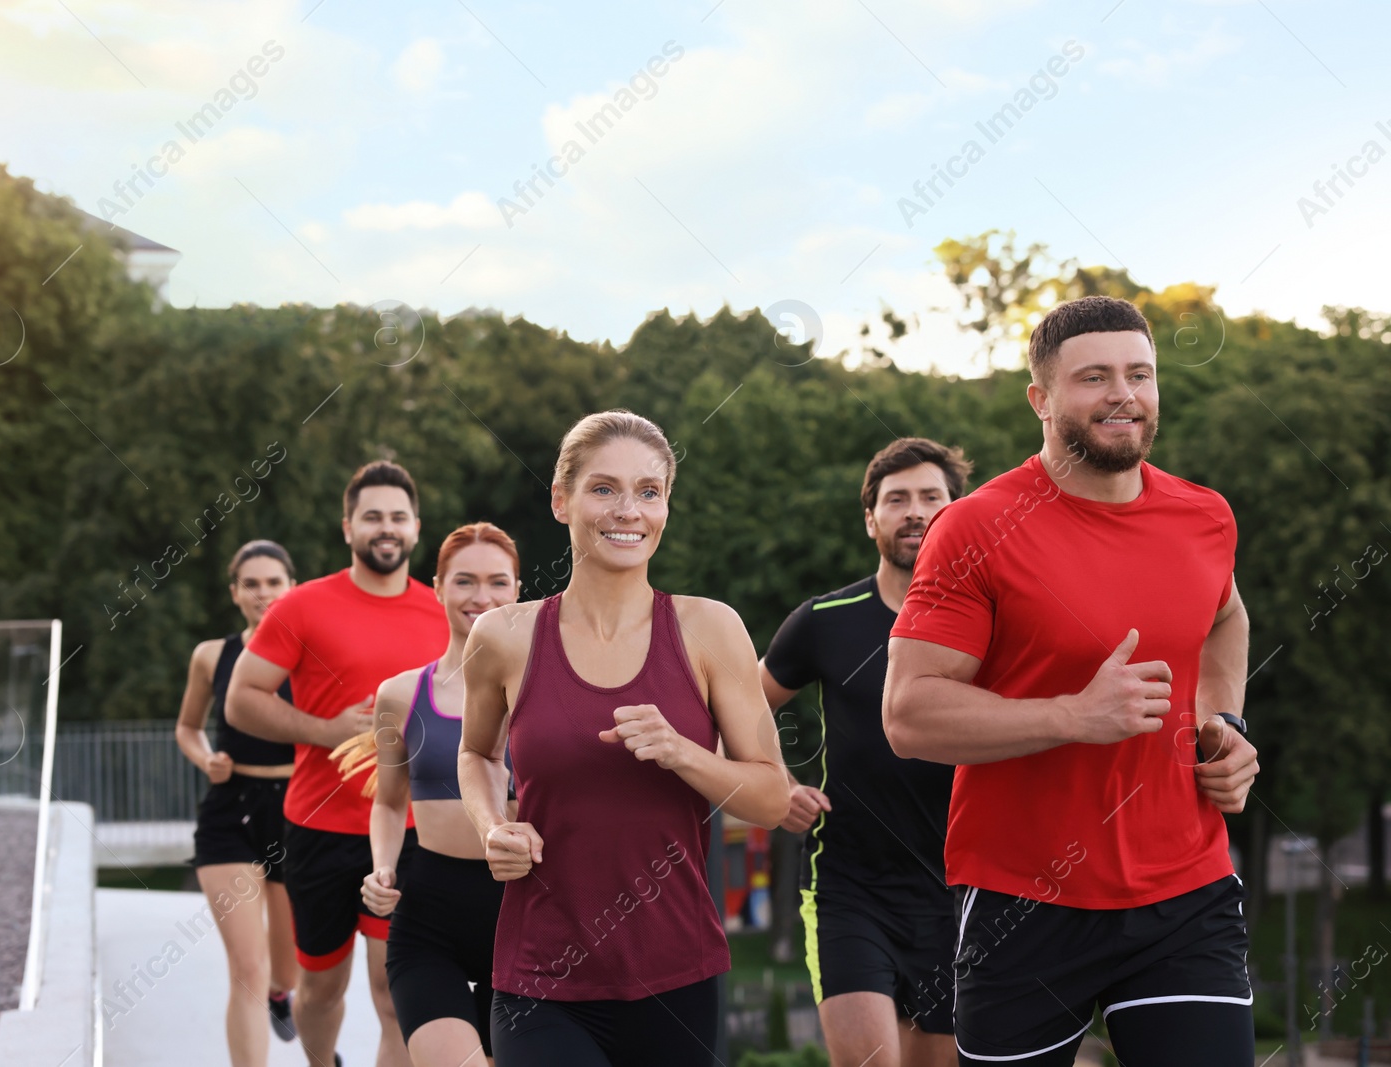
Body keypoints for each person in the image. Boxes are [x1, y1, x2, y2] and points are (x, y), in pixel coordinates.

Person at [883, 296, 1261, 1066]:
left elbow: (1226, 618)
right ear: (1042, 399)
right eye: (1094, 377)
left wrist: (1221, 723)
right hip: (1024, 903)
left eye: (1140, 374)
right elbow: (909, 714)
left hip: (1185, 887)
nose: (1124, 393)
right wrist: (1071, 715)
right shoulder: (976, 526)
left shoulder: (1205, 516)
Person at [458, 409, 791, 1067]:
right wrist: (492, 823)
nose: (628, 510)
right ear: (562, 500)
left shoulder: (711, 629)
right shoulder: (502, 636)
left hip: (677, 976)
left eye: (649, 490)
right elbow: (476, 752)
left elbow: (773, 798)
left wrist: (682, 752)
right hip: (540, 976)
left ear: (666, 504)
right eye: (604, 488)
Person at [228, 461, 450, 1067]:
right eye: (372, 516)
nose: (386, 528)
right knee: (321, 990)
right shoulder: (301, 607)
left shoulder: (442, 613)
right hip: (318, 830)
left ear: (416, 528)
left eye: (398, 517)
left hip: (409, 834)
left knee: (394, 994)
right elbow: (242, 701)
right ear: (347, 526)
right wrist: (327, 731)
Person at [760, 438, 970, 1067]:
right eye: (895, 499)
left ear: (957, 511)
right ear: (871, 519)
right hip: (848, 886)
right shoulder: (824, 620)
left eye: (931, 497)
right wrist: (775, 780)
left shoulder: (992, 619)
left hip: (961, 887)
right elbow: (742, 704)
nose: (914, 511)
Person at [354, 522, 522, 1067]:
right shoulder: (399, 695)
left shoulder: (545, 694)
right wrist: (383, 868)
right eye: (464, 581)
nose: (482, 597)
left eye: (498, 582)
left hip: (527, 919)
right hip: (431, 919)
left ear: (518, 589)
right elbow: (387, 799)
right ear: (438, 587)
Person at [176, 539, 301, 1065]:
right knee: (246, 969)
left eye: (273, 582)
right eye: (251, 584)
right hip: (231, 809)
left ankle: (282, 994)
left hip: (299, 809)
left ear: (291, 587)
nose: (263, 593)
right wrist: (207, 761)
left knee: (288, 964)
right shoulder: (211, 655)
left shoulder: (311, 652)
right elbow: (186, 728)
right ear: (235, 593)